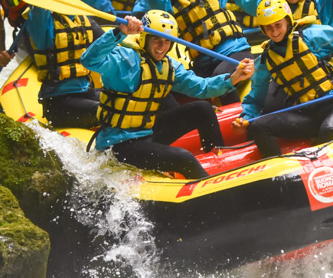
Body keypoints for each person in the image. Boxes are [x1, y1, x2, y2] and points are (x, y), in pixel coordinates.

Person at [80, 10, 254, 179]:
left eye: (167, 41)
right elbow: (89, 60)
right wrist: (119, 32)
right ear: (144, 38)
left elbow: (202, 87)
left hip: (147, 133)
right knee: (183, 157)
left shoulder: (168, 66)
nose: (162, 47)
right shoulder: (123, 60)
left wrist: (233, 78)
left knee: (202, 109)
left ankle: (220, 162)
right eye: (156, 40)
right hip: (119, 145)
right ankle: (213, 192)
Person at [233, 0, 333, 158]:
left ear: (287, 21)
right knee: (259, 127)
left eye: (278, 25)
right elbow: (255, 99)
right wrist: (245, 118)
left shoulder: (313, 35)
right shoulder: (266, 59)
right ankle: (280, 170)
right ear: (263, 29)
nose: (274, 31)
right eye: (269, 28)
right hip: (306, 114)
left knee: (328, 130)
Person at [26, 0, 131, 128]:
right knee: (109, 110)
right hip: (59, 103)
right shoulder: (42, 22)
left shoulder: (79, 14)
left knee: (129, 99)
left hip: (85, 91)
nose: (70, 2)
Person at [143, 0, 257, 105]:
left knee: (221, 74)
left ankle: (236, 118)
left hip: (234, 53)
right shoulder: (168, 6)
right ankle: (183, 121)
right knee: (170, 85)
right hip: (204, 63)